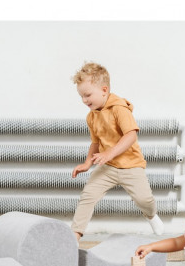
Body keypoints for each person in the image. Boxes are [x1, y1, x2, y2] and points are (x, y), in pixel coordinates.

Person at [70, 61, 164, 240]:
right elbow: (95, 143)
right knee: (88, 195)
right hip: (108, 167)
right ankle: (74, 235)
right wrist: (87, 163)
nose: (84, 100)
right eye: (81, 96)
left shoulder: (119, 109)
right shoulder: (91, 116)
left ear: (104, 90)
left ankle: (151, 215)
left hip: (131, 165)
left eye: (88, 95)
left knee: (144, 200)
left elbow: (131, 135)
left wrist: (109, 153)